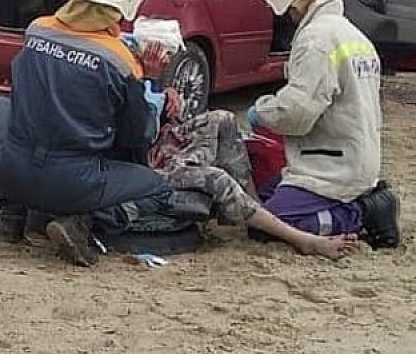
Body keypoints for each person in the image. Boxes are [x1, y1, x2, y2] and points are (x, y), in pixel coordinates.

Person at [0, 0, 173, 266]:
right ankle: (83, 224)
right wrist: (149, 81)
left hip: (11, 172)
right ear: (126, 3)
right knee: (158, 189)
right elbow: (138, 135)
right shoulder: (120, 60)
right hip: (74, 182)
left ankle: (12, 213)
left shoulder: (36, 31)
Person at [247, 0, 401, 248]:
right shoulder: (351, 34)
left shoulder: (317, 40)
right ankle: (360, 199)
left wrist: (262, 112)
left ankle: (359, 214)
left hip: (331, 168)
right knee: (263, 195)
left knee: (269, 223)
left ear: (291, 1)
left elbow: (297, 114)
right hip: (353, 157)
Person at [148, 109, 356, 259]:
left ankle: (254, 208)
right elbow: (133, 129)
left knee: (223, 119)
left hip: (156, 139)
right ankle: (303, 240)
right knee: (216, 178)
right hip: (139, 162)